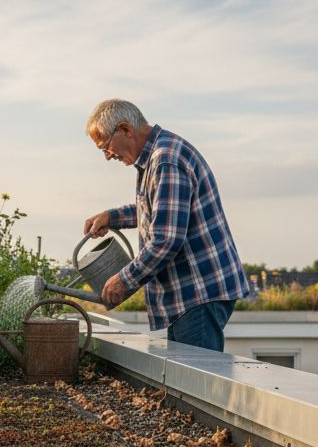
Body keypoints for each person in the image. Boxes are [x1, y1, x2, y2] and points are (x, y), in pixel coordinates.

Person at [82, 99, 250, 351]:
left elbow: (166, 239)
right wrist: (111, 216)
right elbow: (158, 211)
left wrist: (124, 280)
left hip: (198, 292)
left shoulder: (165, 160)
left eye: (105, 146)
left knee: (197, 381)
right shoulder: (157, 156)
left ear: (126, 129)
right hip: (190, 294)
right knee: (186, 377)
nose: (108, 156)